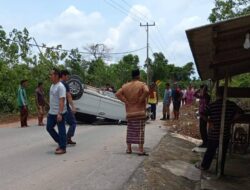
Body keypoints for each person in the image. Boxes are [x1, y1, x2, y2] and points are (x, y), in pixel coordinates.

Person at [196, 87, 243, 174]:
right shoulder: (231, 104)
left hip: (214, 133)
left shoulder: (213, 105)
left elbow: (202, 114)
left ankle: (204, 166)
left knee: (210, 151)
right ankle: (220, 170)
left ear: (217, 94)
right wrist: (231, 120)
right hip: (225, 133)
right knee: (222, 153)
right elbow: (240, 112)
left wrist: (210, 121)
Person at [116, 68, 149, 155]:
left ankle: (129, 149)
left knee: (130, 130)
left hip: (130, 112)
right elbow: (146, 91)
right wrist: (141, 99)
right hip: (140, 112)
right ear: (138, 75)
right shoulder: (142, 84)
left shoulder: (126, 86)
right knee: (140, 131)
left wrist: (125, 101)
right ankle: (140, 150)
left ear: (132, 76)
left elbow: (117, 94)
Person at [46, 68, 67, 154]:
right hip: (52, 112)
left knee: (61, 129)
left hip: (59, 112)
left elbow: (62, 100)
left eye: (51, 75)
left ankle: (63, 147)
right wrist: (49, 110)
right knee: (49, 127)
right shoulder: (52, 86)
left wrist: (60, 113)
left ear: (56, 76)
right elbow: (52, 99)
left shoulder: (60, 86)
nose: (50, 76)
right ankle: (61, 142)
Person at [60, 69, 77, 145]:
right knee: (73, 123)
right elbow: (68, 96)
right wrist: (73, 106)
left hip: (58, 108)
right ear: (63, 75)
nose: (68, 78)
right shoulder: (64, 84)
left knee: (61, 125)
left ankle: (64, 139)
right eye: (67, 76)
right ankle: (68, 138)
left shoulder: (57, 84)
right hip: (65, 107)